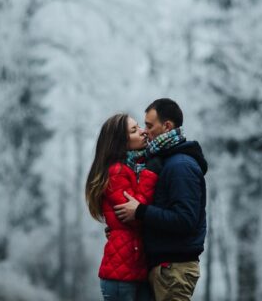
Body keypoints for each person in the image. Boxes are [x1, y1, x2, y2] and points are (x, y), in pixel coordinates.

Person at [114, 98, 207, 301]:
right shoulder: (166, 161)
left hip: (174, 269)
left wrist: (141, 211)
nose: (145, 131)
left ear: (166, 126)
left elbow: (185, 219)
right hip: (167, 269)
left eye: (149, 125)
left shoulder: (180, 165)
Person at [85, 113, 161, 301]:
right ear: (120, 142)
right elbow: (134, 213)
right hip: (121, 275)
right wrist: (150, 173)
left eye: (140, 127)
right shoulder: (116, 172)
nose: (143, 132)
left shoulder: (131, 167)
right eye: (134, 130)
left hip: (133, 269)